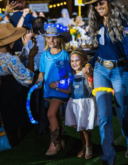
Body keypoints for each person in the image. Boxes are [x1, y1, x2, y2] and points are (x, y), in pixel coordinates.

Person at [82, 0, 128, 165]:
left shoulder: (122, 20)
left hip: (120, 70)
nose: (99, 7)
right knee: (104, 116)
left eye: (102, 3)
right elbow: (101, 50)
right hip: (100, 70)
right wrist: (89, 63)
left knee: (122, 113)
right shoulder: (98, 22)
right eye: (96, 4)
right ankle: (108, 156)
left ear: (110, 2)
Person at [36, 24, 72, 156]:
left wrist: (58, 84)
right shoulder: (44, 55)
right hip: (48, 90)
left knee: (50, 114)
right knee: (55, 115)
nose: (51, 41)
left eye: (54, 38)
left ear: (60, 39)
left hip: (60, 90)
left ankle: (54, 144)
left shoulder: (65, 55)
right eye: (48, 38)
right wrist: (39, 81)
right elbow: (41, 72)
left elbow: (70, 75)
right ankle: (61, 140)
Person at [64, 49, 98, 159]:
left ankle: (88, 146)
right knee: (80, 127)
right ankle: (83, 146)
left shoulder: (87, 73)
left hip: (85, 103)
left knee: (85, 128)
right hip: (74, 103)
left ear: (84, 61)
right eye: (72, 61)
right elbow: (69, 90)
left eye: (77, 60)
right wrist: (57, 88)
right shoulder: (70, 74)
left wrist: (89, 78)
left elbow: (91, 89)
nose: (74, 63)